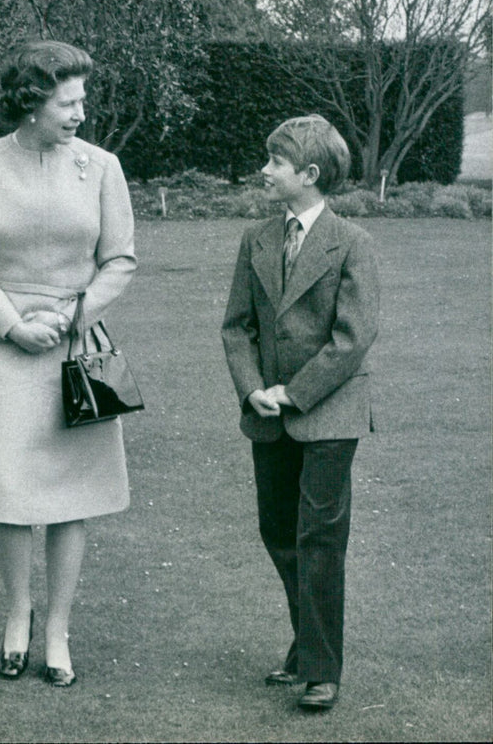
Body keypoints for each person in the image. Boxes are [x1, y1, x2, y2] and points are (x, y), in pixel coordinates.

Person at [0, 40, 137, 688]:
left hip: (74, 349)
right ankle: (16, 614)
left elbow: (119, 260)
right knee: (5, 487)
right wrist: (12, 323)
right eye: (69, 100)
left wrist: (68, 318)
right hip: (1, 349)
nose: (81, 111)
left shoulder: (102, 166)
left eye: (83, 99)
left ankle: (56, 629)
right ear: (30, 102)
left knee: (67, 494)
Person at [221, 114, 380, 712]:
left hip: (331, 414)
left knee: (318, 537)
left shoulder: (354, 243)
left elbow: (353, 337)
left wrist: (294, 391)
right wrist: (253, 388)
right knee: (277, 531)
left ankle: (320, 669)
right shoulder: (256, 238)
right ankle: (306, 645)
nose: (265, 171)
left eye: (276, 163)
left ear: (309, 175)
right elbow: (236, 327)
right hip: (268, 412)